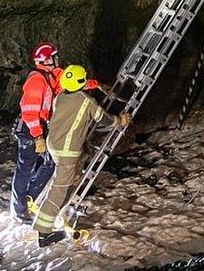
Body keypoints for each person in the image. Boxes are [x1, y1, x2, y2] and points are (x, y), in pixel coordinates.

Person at [32, 65, 131, 247]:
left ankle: (55, 207)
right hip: (67, 151)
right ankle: (44, 232)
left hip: (53, 145)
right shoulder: (86, 101)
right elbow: (104, 119)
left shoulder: (60, 97)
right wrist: (121, 120)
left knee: (75, 166)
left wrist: (98, 86)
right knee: (59, 188)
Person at [11, 42, 101, 224]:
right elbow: (29, 112)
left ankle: (31, 196)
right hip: (30, 128)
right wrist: (37, 136)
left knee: (51, 162)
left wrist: (96, 85)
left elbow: (73, 84)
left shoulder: (53, 75)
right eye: (54, 56)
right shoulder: (36, 80)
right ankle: (20, 211)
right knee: (25, 169)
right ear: (47, 60)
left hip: (42, 127)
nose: (57, 59)